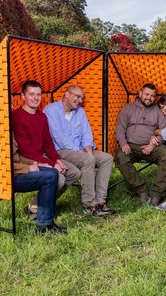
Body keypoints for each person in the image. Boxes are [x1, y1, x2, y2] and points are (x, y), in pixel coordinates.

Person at [43, 85, 115, 217]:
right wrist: (84, 154)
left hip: (79, 150)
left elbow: (86, 133)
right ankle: (89, 204)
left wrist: (88, 149)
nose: (80, 100)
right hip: (60, 151)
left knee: (107, 158)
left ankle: (100, 202)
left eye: (82, 98)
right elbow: (58, 137)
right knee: (88, 159)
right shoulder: (51, 110)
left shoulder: (80, 112)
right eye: (77, 96)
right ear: (67, 94)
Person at [12, 80, 79, 219]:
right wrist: (51, 164)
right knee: (59, 178)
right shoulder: (16, 117)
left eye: (38, 94)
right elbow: (25, 149)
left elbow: (48, 143)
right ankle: (42, 210)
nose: (36, 98)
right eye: (31, 94)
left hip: (42, 156)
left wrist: (57, 160)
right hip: (27, 158)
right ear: (23, 96)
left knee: (74, 172)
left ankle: (37, 204)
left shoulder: (41, 116)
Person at [115, 83, 166, 207]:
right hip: (131, 145)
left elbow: (165, 131)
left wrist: (153, 144)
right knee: (121, 157)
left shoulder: (158, 110)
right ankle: (141, 189)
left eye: (153, 95)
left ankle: (157, 194)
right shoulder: (128, 108)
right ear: (140, 93)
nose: (149, 98)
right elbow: (120, 126)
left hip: (153, 145)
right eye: (147, 94)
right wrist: (123, 143)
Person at [12, 137, 66, 234]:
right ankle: (44, 226)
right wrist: (28, 167)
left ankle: (46, 217)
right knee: (49, 178)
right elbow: (4, 164)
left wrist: (34, 163)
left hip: (18, 171)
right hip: (10, 179)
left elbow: (17, 157)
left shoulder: (8, 130)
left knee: (53, 172)